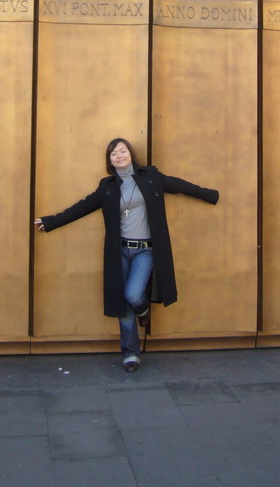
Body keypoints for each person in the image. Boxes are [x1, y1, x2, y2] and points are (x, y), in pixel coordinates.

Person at [34, 138, 219, 372]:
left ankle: (143, 309)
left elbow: (180, 185)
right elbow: (82, 207)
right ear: (109, 160)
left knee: (133, 295)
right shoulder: (108, 187)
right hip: (119, 250)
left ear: (130, 154)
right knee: (123, 303)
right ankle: (130, 353)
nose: (119, 155)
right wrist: (51, 221)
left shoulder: (150, 177)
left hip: (145, 250)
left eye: (123, 151)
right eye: (114, 153)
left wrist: (210, 195)